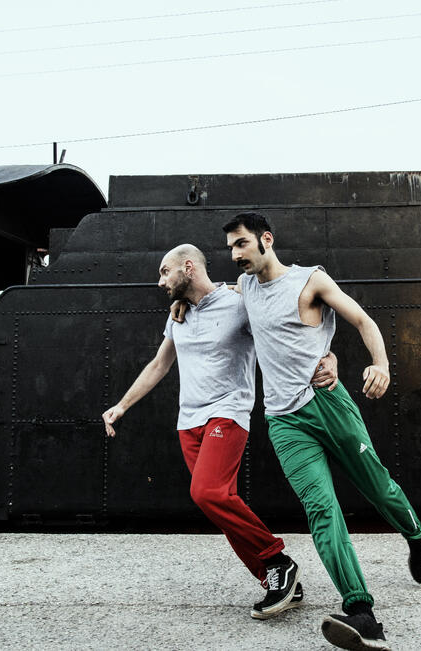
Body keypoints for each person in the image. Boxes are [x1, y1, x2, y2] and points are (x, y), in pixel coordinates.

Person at [222, 212, 421, 651]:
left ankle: (414, 533)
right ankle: (361, 611)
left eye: (241, 244)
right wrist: (184, 301)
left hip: (328, 403)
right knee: (321, 510)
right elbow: (215, 294)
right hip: (284, 421)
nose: (235, 254)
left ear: (266, 240)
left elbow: (364, 321)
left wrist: (380, 364)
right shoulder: (245, 287)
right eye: (231, 248)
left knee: (378, 487)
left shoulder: (310, 281)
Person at [102, 243, 337, 620]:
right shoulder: (178, 314)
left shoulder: (240, 303)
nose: (160, 281)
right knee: (218, 504)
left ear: (188, 267)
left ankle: (278, 560)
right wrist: (122, 405)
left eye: (165, 271)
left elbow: (287, 328)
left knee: (206, 492)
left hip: (227, 413)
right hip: (189, 423)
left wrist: (328, 356)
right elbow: (160, 364)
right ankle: (277, 579)